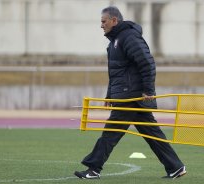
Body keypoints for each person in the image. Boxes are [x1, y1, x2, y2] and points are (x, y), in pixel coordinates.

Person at [74, 6, 186, 179]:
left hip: (131, 97)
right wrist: (110, 95)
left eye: (104, 21)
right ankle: (175, 167)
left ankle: (93, 168)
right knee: (152, 134)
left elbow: (147, 63)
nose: (101, 25)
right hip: (128, 96)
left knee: (110, 133)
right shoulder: (114, 41)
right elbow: (116, 73)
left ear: (114, 20)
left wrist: (148, 90)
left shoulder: (129, 37)